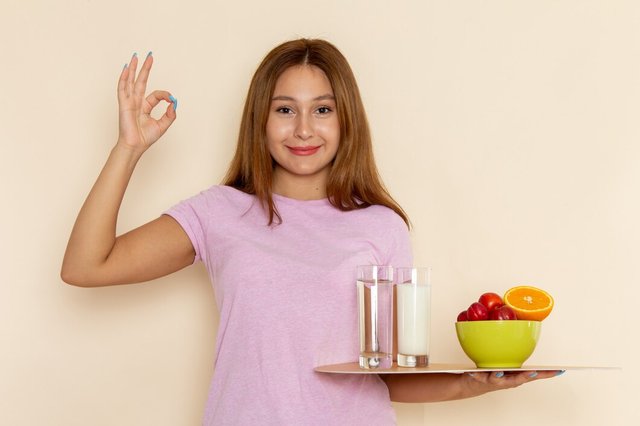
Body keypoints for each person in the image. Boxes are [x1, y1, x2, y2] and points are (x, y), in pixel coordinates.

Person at [61, 39, 561, 425]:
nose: (303, 129)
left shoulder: (381, 226)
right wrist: (128, 148)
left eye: (322, 109)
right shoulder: (219, 213)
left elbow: (386, 375)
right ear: (260, 119)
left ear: (347, 120)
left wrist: (474, 385)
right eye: (285, 109)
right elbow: (86, 266)